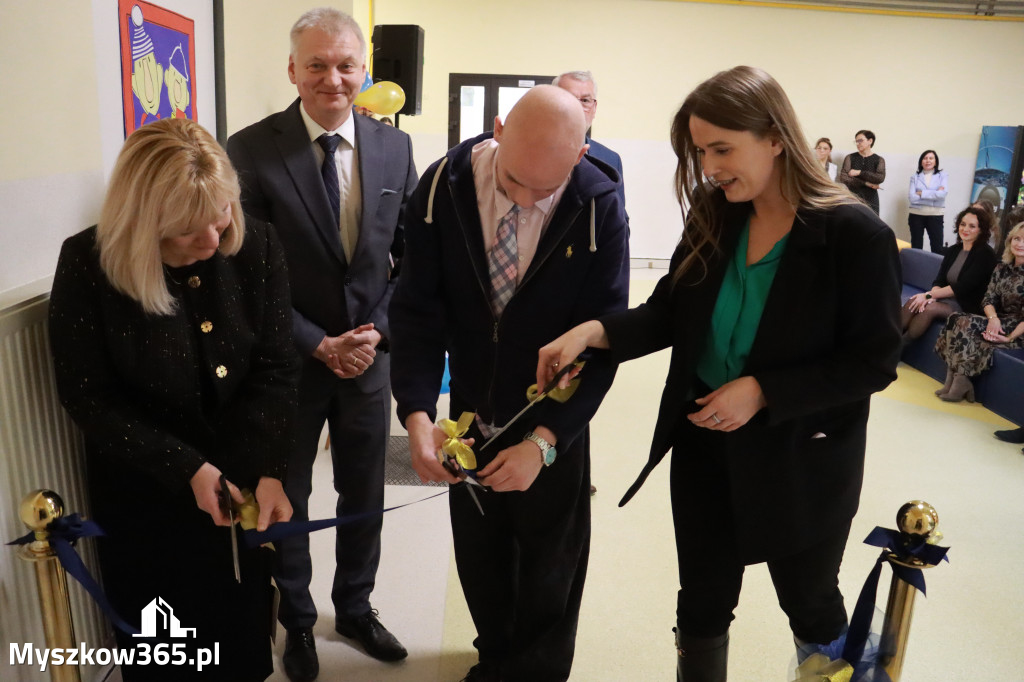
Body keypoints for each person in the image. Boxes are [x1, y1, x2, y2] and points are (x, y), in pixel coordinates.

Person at [537, 66, 902, 681]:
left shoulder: (854, 235)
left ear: (775, 138)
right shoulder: (717, 213)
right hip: (706, 440)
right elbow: (668, 314)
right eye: (701, 150)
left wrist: (764, 391)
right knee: (702, 601)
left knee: (810, 602)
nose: (708, 165)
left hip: (801, 454)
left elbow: (873, 360)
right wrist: (596, 332)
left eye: (722, 149)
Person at [389, 85, 629, 682]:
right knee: (481, 554)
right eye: (513, 181)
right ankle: (496, 658)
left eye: (542, 190)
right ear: (498, 128)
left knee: (552, 564)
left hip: (550, 417)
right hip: (470, 408)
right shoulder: (441, 189)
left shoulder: (599, 205)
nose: (523, 200)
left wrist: (545, 442)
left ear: (580, 155)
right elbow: (417, 311)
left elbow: (604, 340)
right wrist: (418, 413)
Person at [48, 118, 299, 681]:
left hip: (240, 483)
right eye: (188, 231)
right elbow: (88, 396)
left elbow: (276, 368)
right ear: (143, 224)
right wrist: (185, 467)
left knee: (238, 640)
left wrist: (269, 469)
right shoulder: (88, 264)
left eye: (221, 216)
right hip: (145, 489)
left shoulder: (255, 244)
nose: (212, 242)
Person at [226, 8, 417, 681]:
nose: (332, 78)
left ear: (363, 70)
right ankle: (298, 621)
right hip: (289, 364)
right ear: (292, 70)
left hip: (369, 361)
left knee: (364, 491)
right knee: (292, 497)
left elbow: (409, 257)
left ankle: (357, 608)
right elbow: (243, 272)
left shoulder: (394, 149)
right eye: (317, 65)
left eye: (345, 65)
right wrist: (317, 343)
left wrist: (376, 332)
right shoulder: (248, 150)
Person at [934, 222, 1024, 403]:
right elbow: (988, 298)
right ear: (1010, 241)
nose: (1020, 244)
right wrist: (993, 318)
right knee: (955, 318)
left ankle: (960, 382)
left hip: (1018, 329)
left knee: (966, 324)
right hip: (998, 321)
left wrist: (1010, 338)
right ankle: (954, 379)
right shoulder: (1002, 268)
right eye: (1017, 238)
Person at [901, 206, 997, 344]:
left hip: (967, 305)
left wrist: (929, 296)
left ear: (981, 230)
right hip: (945, 298)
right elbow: (939, 280)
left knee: (929, 309)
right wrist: (931, 296)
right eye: (963, 224)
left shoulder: (985, 254)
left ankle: (898, 348)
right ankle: (889, 340)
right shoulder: (954, 250)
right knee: (914, 302)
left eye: (972, 226)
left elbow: (962, 287)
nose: (965, 229)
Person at [553, 70, 626, 210]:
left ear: (594, 108)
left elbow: (620, 218)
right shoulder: (533, 152)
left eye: (585, 101)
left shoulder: (610, 159)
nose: (577, 107)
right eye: (569, 98)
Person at [907, 150, 949, 253]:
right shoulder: (915, 177)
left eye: (931, 158)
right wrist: (934, 194)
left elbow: (942, 194)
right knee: (916, 246)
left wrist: (921, 193)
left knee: (937, 247)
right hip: (916, 214)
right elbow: (912, 197)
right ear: (921, 161)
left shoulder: (942, 175)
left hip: (935, 215)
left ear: (935, 161)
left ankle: (936, 269)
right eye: (925, 158)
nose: (928, 161)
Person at [839, 129, 886, 215]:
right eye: (856, 141)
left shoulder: (879, 160)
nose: (857, 143)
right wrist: (866, 183)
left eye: (860, 140)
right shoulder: (850, 157)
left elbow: (880, 178)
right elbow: (843, 178)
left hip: (871, 198)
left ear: (870, 141)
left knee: (872, 225)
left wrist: (859, 173)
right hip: (852, 198)